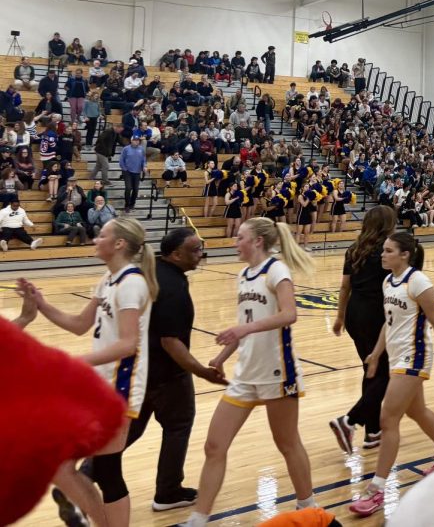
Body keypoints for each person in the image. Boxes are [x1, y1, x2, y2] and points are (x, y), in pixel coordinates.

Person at [18, 217, 158, 527]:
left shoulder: (132, 283)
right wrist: (39, 304)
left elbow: (128, 344)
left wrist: (78, 363)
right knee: (67, 467)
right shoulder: (108, 280)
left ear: (119, 244)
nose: (95, 239)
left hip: (121, 390)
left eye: (102, 235)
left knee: (105, 471)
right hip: (99, 387)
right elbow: (80, 325)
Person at [183, 218, 316, 526]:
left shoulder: (276, 270)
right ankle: (198, 519)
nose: (235, 242)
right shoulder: (243, 274)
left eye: (240, 237)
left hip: (277, 371)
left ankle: (309, 507)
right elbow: (243, 326)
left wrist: (245, 327)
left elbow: (289, 314)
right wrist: (220, 356)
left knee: (287, 443)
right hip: (245, 374)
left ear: (257, 241)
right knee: (214, 445)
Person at [348, 231, 434, 517]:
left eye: (388, 251)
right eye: (383, 250)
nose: (382, 255)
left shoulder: (419, 281)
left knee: (388, 418)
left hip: (415, 357)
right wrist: (376, 354)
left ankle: (377, 489)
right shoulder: (389, 281)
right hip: (397, 355)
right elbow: (388, 324)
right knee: (418, 411)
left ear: (404, 255)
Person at [124, 228, 227, 511]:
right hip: (168, 376)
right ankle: (168, 492)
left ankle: (86, 475)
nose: (201, 254)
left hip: (140, 370)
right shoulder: (174, 288)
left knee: (129, 432)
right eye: (195, 250)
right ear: (175, 254)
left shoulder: (151, 271)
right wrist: (201, 372)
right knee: (178, 427)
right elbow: (171, 342)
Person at [330, 207, 395, 455]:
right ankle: (350, 421)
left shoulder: (354, 248)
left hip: (355, 313)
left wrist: (339, 316)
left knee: (370, 368)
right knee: (384, 373)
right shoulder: (387, 250)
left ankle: (372, 431)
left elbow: (345, 287)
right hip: (377, 314)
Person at [119, 134, 147, 214]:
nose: (136, 142)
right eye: (135, 140)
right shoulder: (126, 149)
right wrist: (124, 169)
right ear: (131, 140)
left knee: (136, 189)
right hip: (127, 171)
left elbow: (143, 160)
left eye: (138, 140)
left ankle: (132, 204)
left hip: (137, 172)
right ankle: (127, 205)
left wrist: (144, 166)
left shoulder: (141, 149)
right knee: (128, 188)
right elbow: (121, 160)